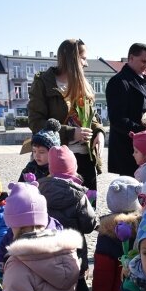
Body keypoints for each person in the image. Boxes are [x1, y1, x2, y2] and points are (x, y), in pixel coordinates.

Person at [28, 39, 105, 191]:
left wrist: (99, 132)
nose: (86, 63)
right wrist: (71, 133)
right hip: (56, 160)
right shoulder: (43, 83)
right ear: (72, 59)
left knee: (88, 208)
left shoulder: (82, 84)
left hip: (85, 158)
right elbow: (36, 123)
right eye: (83, 58)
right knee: (60, 209)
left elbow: (92, 117)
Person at [38, 146, 98, 291]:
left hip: (49, 249)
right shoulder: (80, 195)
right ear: (74, 169)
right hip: (74, 250)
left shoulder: (39, 190)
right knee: (79, 281)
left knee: (52, 283)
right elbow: (88, 224)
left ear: (51, 169)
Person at [106, 43, 146, 177]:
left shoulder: (142, 81)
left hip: (143, 150)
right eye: (144, 61)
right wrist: (144, 132)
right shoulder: (119, 82)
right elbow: (117, 119)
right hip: (127, 152)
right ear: (131, 58)